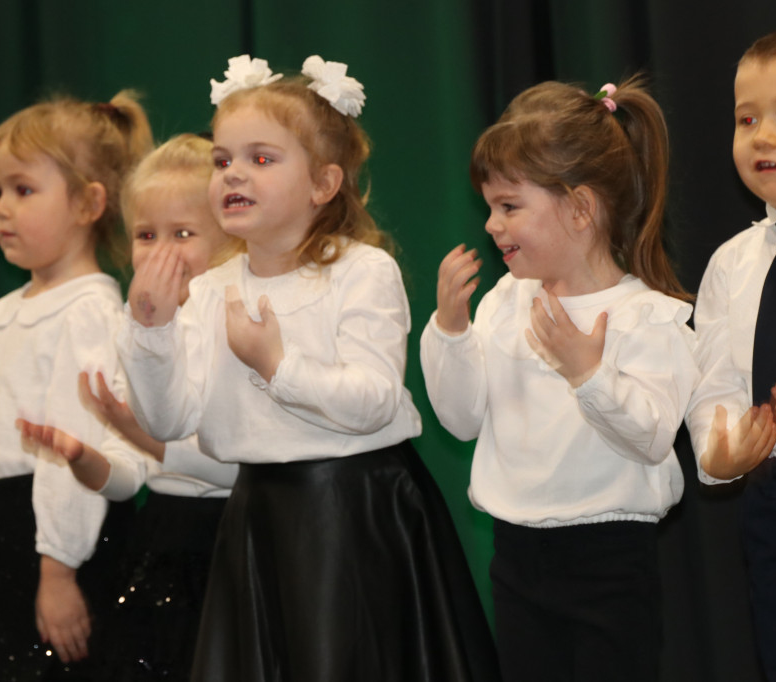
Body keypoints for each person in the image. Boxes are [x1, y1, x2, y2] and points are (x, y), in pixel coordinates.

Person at [116, 55, 500, 682]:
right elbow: (168, 418)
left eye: (261, 159)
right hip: (257, 517)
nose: (233, 173)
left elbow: (375, 398)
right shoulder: (212, 289)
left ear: (324, 183)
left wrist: (278, 364)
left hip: (352, 513)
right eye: (222, 160)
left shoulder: (361, 271)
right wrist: (152, 330)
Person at [420, 77, 700, 682]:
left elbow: (651, 438)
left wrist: (588, 372)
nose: (492, 225)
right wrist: (449, 329)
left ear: (580, 207)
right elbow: (461, 419)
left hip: (610, 558)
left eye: (509, 206)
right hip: (517, 553)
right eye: (490, 206)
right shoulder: (505, 300)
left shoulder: (648, 317)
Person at [0, 93, 154, 681]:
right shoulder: (4, 311)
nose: (2, 208)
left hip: (62, 540)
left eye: (23, 190)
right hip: (2, 539)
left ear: (88, 203)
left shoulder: (88, 310)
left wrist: (58, 571)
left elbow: (73, 444)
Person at [18, 133, 240, 681]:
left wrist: (140, 436)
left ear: (231, 239)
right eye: (145, 235)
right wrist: (83, 457)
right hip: (163, 543)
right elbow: (127, 479)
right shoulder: (131, 332)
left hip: (238, 539)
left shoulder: (237, 323)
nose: (160, 252)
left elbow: (235, 463)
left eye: (183, 234)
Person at [684, 25, 776, 681]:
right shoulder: (732, 263)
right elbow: (714, 380)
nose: (762, 136)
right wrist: (718, 451)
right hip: (774, 501)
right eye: (746, 119)